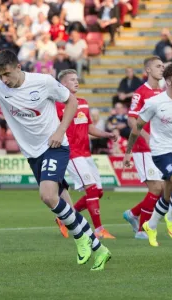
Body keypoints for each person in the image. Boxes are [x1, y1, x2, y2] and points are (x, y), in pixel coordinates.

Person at [0, 49, 111, 271]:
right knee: (63, 205)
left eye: (7, 74)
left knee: (47, 196)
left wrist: (60, 130)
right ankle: (98, 248)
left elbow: (71, 102)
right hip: (33, 155)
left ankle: (81, 239)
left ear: (18, 67)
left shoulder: (43, 81)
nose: (4, 79)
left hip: (55, 146)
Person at [123, 63, 172, 247]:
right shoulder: (154, 103)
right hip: (161, 152)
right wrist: (128, 151)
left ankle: (151, 225)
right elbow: (137, 128)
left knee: (167, 195)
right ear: (168, 82)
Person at [55, 69, 116, 239]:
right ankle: (98, 230)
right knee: (91, 189)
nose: (76, 81)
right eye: (72, 79)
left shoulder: (83, 102)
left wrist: (106, 134)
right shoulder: (58, 105)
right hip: (72, 154)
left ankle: (64, 218)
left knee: (99, 192)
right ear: (63, 84)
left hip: (86, 154)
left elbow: (89, 127)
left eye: (77, 79)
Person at [122, 56, 164, 239]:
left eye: (163, 66)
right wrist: (145, 137)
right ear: (148, 70)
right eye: (158, 66)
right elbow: (132, 119)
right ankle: (141, 230)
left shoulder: (163, 93)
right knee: (156, 187)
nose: (161, 69)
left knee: (161, 189)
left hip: (159, 147)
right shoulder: (140, 93)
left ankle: (133, 214)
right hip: (144, 147)